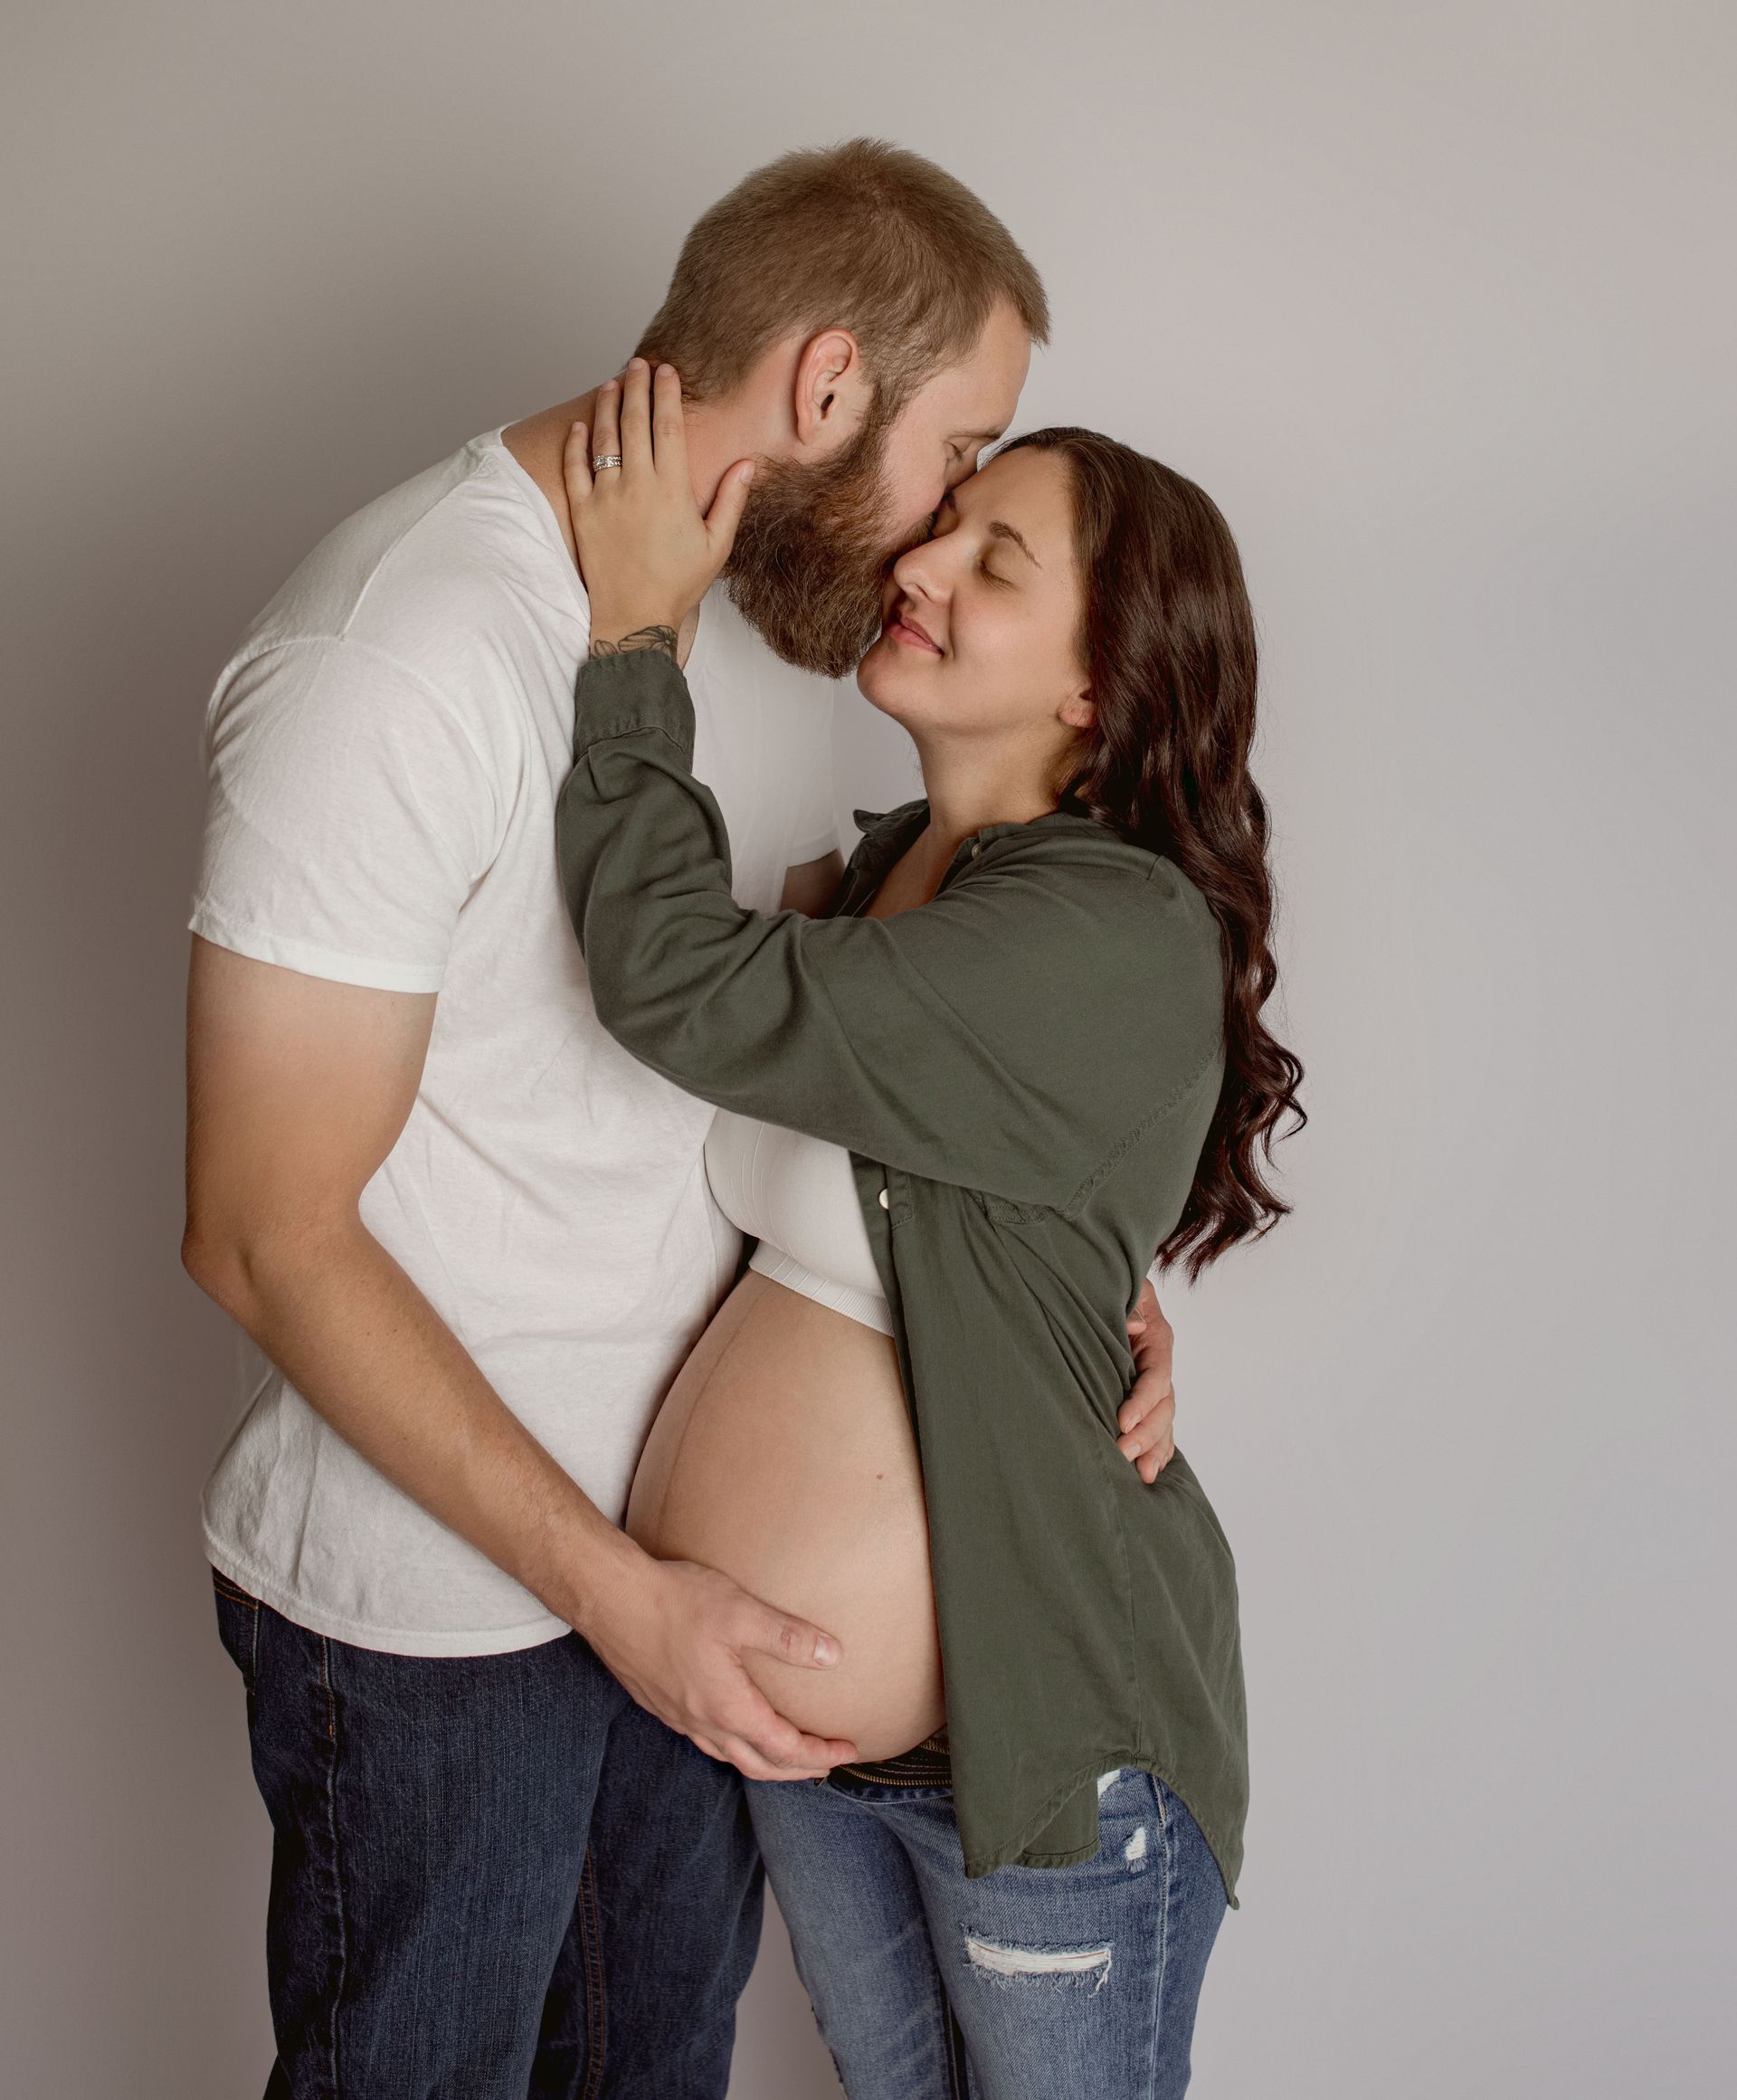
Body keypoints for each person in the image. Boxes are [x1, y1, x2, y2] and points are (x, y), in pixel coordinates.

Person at [182, 139, 1182, 2097]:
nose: (944, 527)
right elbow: (258, 1232)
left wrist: (1075, 1292)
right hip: (449, 1626)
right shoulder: (396, 654)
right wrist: (616, 1595)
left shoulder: (759, 632)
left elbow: (816, 1067)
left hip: (677, 1616)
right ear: (829, 388)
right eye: (958, 454)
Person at [551, 363, 1304, 2098]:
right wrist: (1106, 1298)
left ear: (1100, 684)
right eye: (948, 519)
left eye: (995, 560)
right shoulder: (900, 863)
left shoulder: (1105, 927)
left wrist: (634, 635)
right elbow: (997, 1202)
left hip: (1046, 1767)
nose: (925, 560)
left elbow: (671, 977)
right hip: (829, 1767)